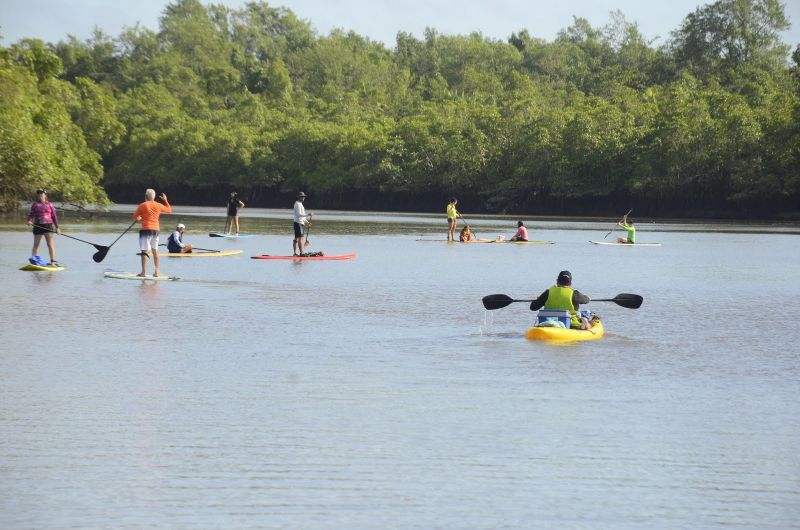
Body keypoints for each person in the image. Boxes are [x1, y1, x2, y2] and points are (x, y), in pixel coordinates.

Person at [529, 270, 593, 330]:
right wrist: (589, 298)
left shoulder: (547, 292)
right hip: (570, 324)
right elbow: (586, 300)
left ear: (557, 281)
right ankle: (585, 324)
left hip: (547, 321)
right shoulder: (575, 294)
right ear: (570, 283)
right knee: (591, 322)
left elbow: (533, 307)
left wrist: (538, 299)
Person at [133, 189, 172, 277]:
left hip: (146, 230)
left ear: (146, 197)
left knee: (144, 251)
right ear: (153, 197)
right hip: (156, 231)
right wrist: (165, 200)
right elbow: (169, 210)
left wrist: (139, 218)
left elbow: (135, 217)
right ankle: (156, 272)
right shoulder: (158, 205)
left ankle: (143, 273)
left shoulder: (142, 205)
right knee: (155, 251)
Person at [26, 188, 61, 266]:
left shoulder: (50, 204)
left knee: (50, 244)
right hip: (37, 225)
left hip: (48, 226)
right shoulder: (35, 204)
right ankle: (34, 260)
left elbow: (54, 216)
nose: (40, 195)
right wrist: (29, 220)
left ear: (45, 195)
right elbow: (31, 214)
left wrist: (57, 228)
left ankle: (53, 261)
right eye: (39, 194)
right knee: (36, 244)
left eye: (42, 194)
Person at [293, 191, 312, 256]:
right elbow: (299, 215)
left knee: (297, 238)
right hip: (298, 223)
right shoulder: (297, 204)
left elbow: (302, 217)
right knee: (300, 238)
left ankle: (295, 253)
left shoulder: (300, 204)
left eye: (304, 197)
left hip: (299, 223)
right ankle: (301, 253)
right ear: (299, 197)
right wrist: (308, 214)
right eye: (302, 197)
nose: (303, 198)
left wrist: (307, 222)